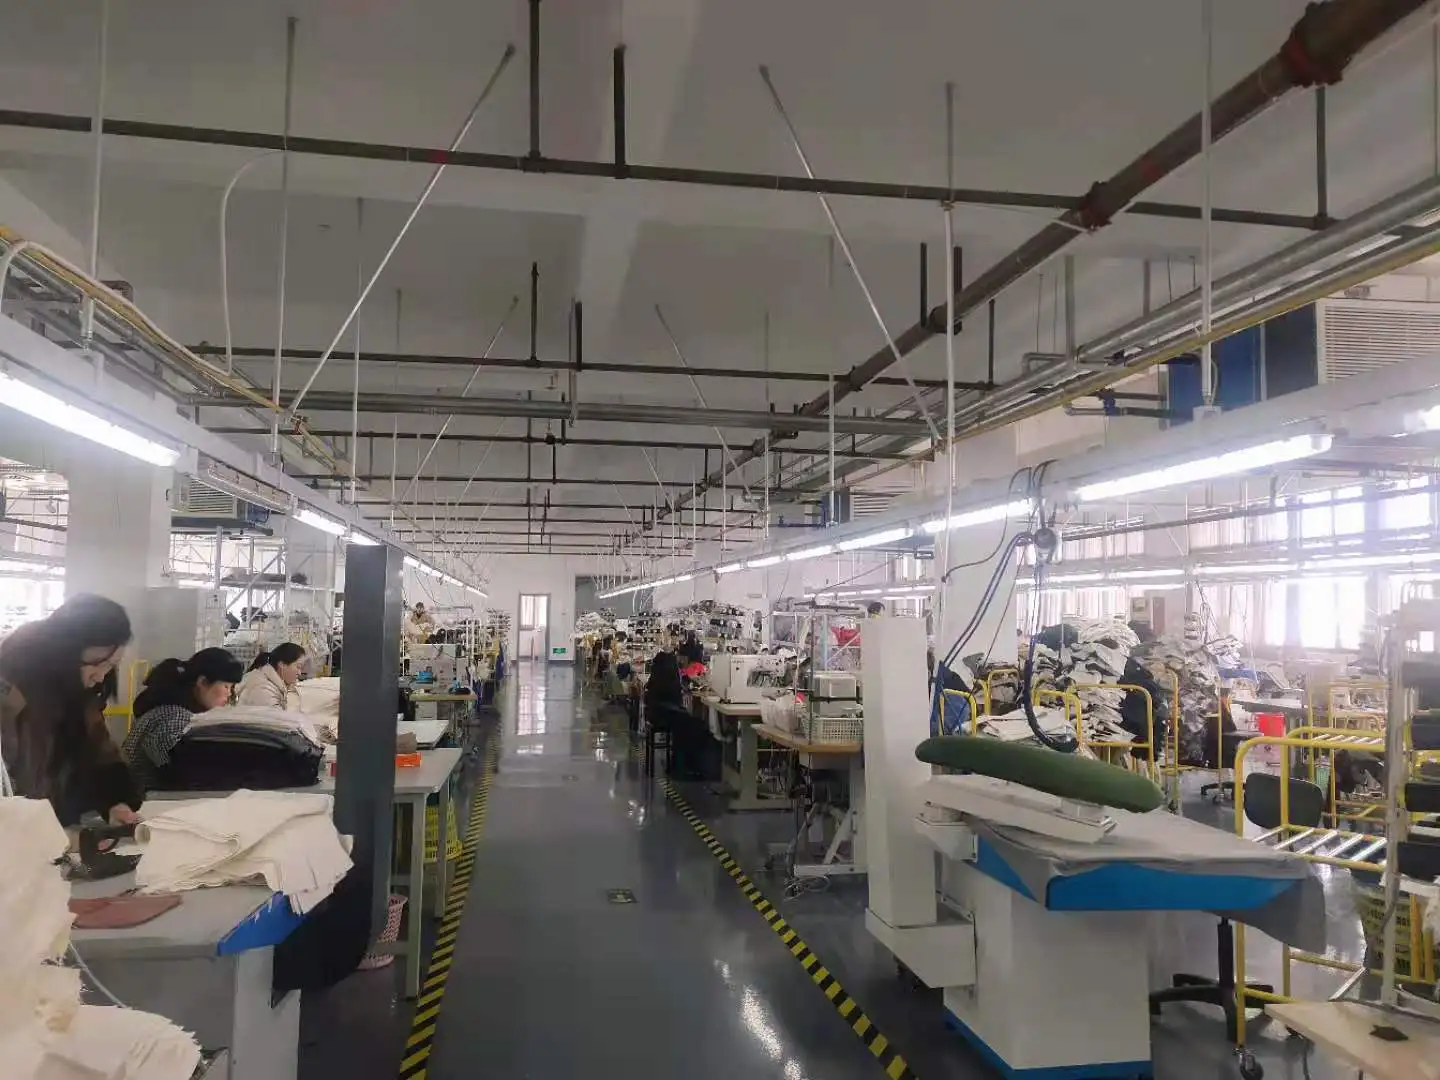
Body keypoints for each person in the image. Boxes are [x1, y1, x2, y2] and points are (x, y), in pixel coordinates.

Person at [0, 594, 141, 827]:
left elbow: (96, 745)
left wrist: (114, 801)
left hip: (54, 824)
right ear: (66, 652)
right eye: (97, 664)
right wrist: (37, 830)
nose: (101, 676)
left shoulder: (74, 685)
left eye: (110, 666)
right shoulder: (11, 687)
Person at [122, 647, 243, 793]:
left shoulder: (171, 709)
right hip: (146, 801)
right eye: (226, 686)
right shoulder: (174, 716)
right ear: (203, 682)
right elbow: (180, 769)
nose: (229, 694)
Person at [236, 643, 306, 711]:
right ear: (282, 665)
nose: (299, 673)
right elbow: (276, 717)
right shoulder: (263, 689)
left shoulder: (271, 681)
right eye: (298, 667)